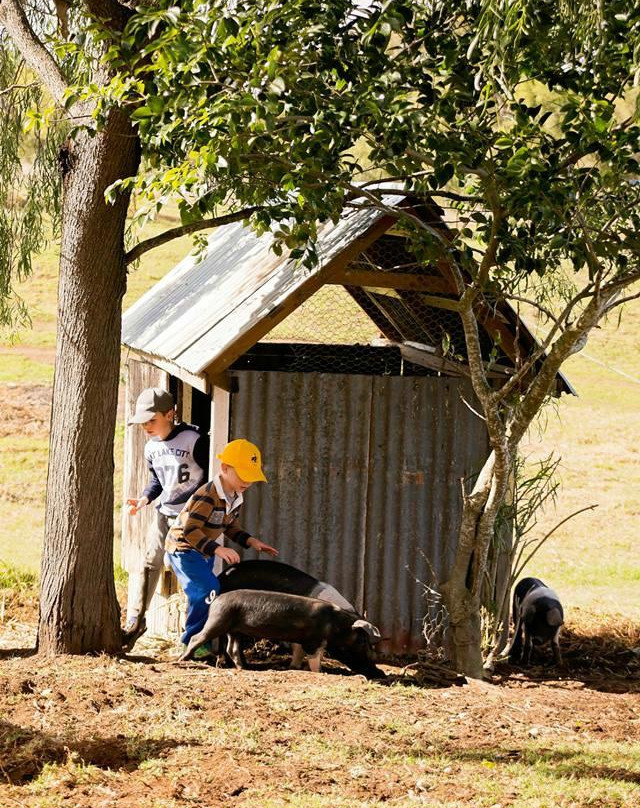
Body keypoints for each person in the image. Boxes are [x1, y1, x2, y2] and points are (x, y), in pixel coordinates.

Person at [164, 438, 278, 658]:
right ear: (225, 469)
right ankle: (189, 642)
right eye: (243, 475)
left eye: (252, 477)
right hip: (184, 548)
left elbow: (229, 526)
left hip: (202, 549)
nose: (248, 482)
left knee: (206, 592)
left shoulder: (236, 496)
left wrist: (250, 541)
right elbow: (190, 530)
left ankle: (202, 640)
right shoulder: (208, 495)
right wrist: (217, 549)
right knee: (207, 590)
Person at [122, 387, 209, 649]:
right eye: (142, 422)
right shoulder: (151, 448)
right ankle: (135, 621)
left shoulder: (194, 439)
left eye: (152, 420)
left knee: (191, 574)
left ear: (170, 414)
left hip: (190, 518)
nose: (146, 426)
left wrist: (199, 508)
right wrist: (145, 499)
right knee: (149, 564)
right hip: (164, 513)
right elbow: (157, 481)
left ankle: (195, 635)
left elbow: (209, 477)